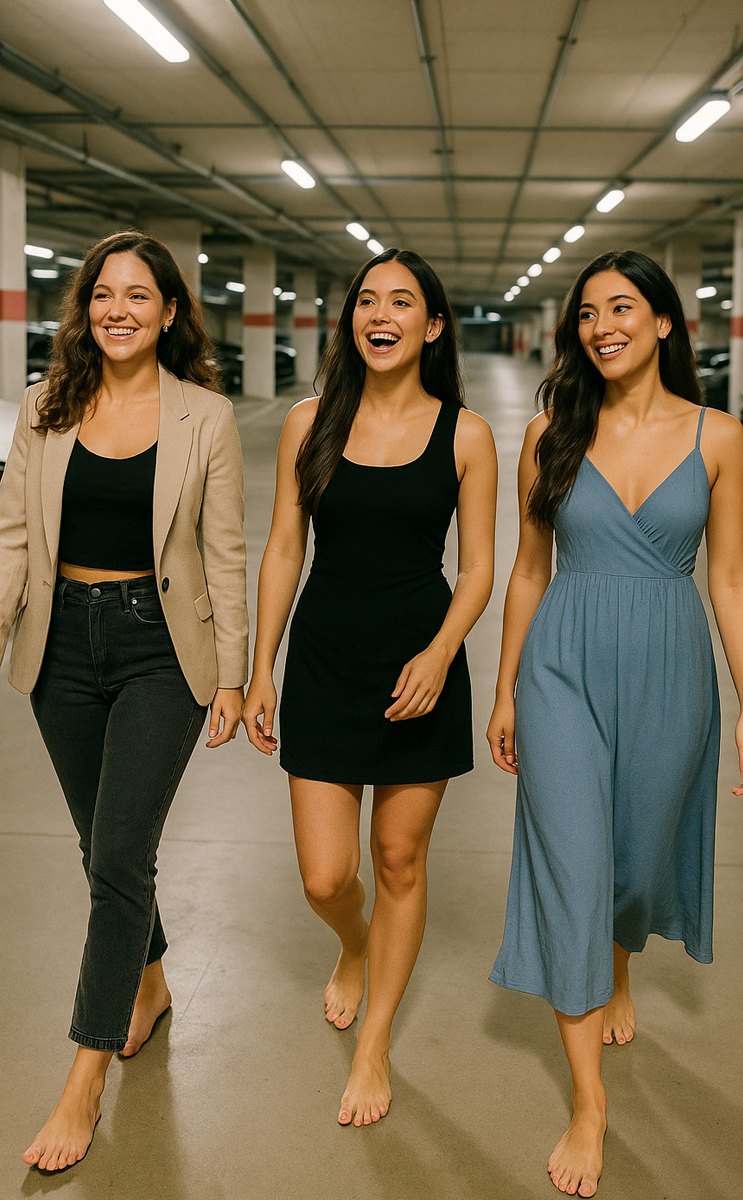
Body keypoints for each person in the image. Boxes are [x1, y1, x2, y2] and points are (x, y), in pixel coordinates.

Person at [0, 231, 248, 1172]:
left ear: (169, 312)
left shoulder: (205, 416)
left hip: (161, 649)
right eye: (102, 294)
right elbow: (7, 532)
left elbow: (225, 555)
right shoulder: (49, 406)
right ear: (86, 310)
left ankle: (84, 1076)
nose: (118, 309)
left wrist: (235, 673)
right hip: (62, 648)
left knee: (120, 850)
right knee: (102, 848)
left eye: (139, 295)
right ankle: (152, 985)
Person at [487, 249, 743, 1197]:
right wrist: (507, 689)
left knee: (634, 867)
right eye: (587, 313)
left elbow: (728, 580)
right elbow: (527, 571)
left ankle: (620, 965)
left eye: (623, 308)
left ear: (666, 323)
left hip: (671, 668)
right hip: (562, 667)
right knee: (575, 867)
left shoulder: (721, 438)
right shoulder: (551, 432)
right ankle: (589, 1104)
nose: (602, 326)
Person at [243, 248, 497, 1126]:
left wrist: (440, 654)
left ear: (432, 327)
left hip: (418, 666)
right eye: (366, 300)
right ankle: (352, 945)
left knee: (398, 861)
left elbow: (478, 571)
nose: (378, 314)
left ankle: (376, 1039)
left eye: (402, 302)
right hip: (322, 658)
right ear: (352, 320)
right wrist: (260, 666)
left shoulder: (466, 433)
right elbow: (284, 548)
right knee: (326, 877)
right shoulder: (308, 422)